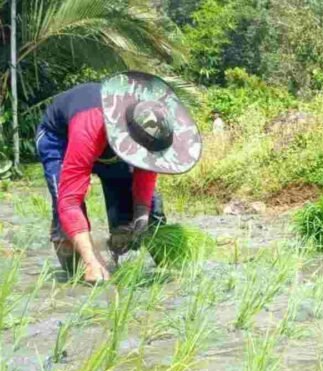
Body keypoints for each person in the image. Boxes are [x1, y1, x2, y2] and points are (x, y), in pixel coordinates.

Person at [35, 71, 202, 283]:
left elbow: (146, 171)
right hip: (62, 139)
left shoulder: (145, 127)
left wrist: (141, 214)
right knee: (66, 226)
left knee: (132, 219)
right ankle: (80, 271)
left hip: (111, 141)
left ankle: (153, 266)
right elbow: (69, 202)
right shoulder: (88, 127)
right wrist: (90, 261)